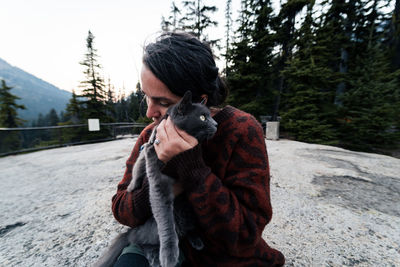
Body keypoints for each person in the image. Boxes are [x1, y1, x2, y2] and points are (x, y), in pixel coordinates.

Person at [111, 31, 285, 266]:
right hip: (157, 247)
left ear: (199, 102)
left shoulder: (240, 130)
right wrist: (163, 185)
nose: (149, 113)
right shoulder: (149, 135)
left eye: (163, 103)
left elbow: (246, 234)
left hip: (219, 256)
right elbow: (122, 209)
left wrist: (192, 169)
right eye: (146, 97)